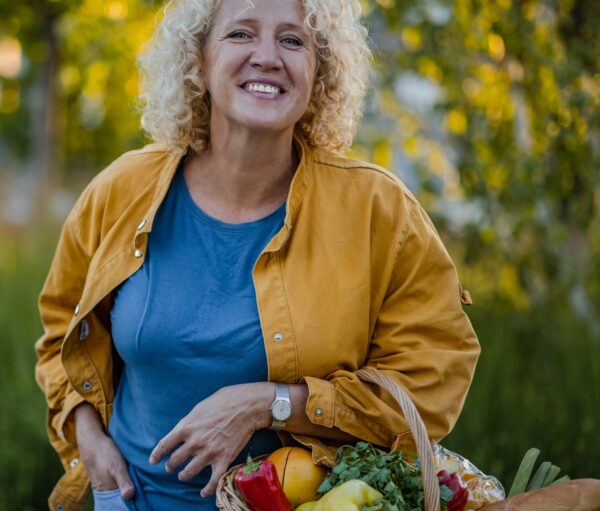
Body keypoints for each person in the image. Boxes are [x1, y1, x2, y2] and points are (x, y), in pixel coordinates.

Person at [35, 0, 481, 510]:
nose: (267, 57)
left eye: (292, 41)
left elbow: (430, 382)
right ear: (197, 62)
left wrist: (271, 403)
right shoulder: (121, 191)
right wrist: (87, 435)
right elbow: (59, 331)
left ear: (320, 72)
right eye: (241, 34)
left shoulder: (380, 212)